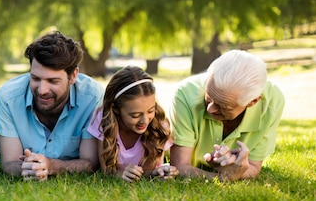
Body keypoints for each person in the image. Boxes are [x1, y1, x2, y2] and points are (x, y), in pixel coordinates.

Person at [0, 31, 104, 181]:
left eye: (52, 81)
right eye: (35, 78)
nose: (42, 90)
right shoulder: (8, 97)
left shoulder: (92, 97)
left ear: (73, 76)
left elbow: (90, 163)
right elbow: (8, 162)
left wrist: (51, 166)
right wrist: (30, 168)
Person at [169, 50, 285, 181]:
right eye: (208, 97)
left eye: (222, 106)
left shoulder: (272, 103)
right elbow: (180, 166)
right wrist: (223, 178)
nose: (210, 108)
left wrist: (236, 169)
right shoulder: (185, 94)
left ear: (252, 102)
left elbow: (253, 166)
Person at [88, 66, 179, 182]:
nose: (145, 120)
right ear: (116, 109)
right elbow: (106, 170)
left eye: (151, 111)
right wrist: (120, 174)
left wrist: (157, 173)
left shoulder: (158, 125)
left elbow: (149, 170)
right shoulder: (103, 120)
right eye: (135, 115)